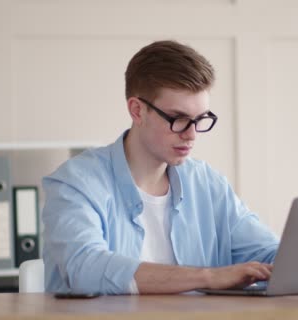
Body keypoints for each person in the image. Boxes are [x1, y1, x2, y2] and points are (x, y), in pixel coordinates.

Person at [42, 40, 278, 295]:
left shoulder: (207, 184)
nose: (192, 135)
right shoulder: (76, 183)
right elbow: (85, 268)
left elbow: (267, 254)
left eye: (200, 120)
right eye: (178, 119)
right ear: (137, 110)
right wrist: (208, 277)